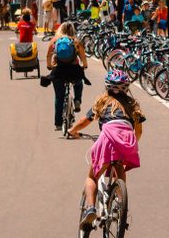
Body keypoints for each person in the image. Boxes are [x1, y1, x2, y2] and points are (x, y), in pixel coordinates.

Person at [68, 69, 145, 230]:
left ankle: (90, 209)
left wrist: (72, 130)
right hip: (126, 142)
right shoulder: (132, 105)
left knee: (92, 177)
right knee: (119, 167)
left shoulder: (102, 102)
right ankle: (120, 203)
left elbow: (84, 121)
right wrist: (132, 144)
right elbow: (138, 130)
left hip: (107, 139)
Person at [45, 21, 88, 130]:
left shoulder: (55, 40)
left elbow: (48, 55)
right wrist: (84, 65)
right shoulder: (75, 41)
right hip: (73, 69)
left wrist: (49, 65)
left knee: (59, 97)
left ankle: (58, 124)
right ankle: (77, 99)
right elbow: (82, 55)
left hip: (58, 70)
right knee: (78, 82)